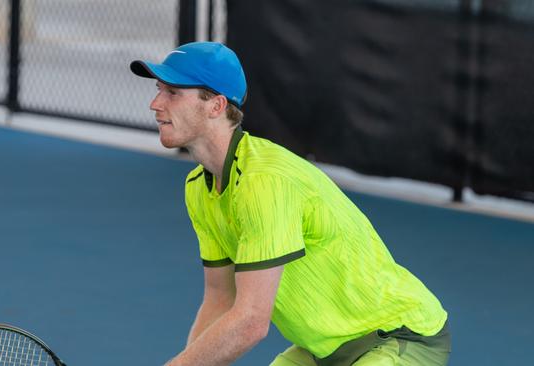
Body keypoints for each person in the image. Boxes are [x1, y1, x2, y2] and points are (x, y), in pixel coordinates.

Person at [130, 42, 451, 366]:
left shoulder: (265, 182)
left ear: (216, 105)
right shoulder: (200, 188)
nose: (155, 103)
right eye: (159, 90)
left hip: (398, 336)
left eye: (172, 92)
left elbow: (251, 322)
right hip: (321, 350)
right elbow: (221, 300)